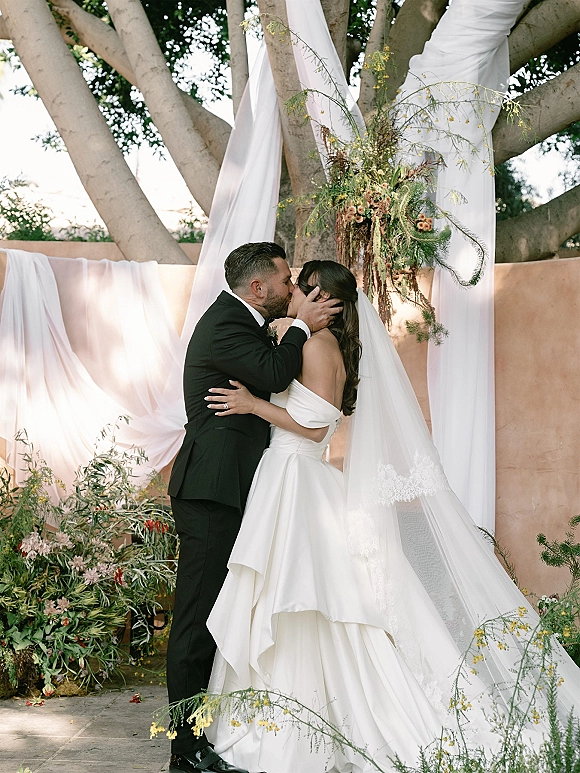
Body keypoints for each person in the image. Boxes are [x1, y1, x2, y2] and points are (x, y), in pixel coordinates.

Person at [202, 260, 580, 772]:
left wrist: (251, 404)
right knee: (299, 598)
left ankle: (298, 723)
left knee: (295, 598)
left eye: (297, 284)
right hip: (295, 478)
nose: (289, 290)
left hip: (295, 475)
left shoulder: (314, 346)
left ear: (319, 298)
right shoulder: (319, 343)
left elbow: (314, 429)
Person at [166, 243, 341, 773]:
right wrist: (302, 325)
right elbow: (271, 376)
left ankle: (208, 732)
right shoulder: (226, 324)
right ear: (258, 288)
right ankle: (186, 750)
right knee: (196, 621)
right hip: (212, 493)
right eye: (286, 280)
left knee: (223, 614)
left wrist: (295, 326)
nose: (292, 289)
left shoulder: (243, 321)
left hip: (240, 489)